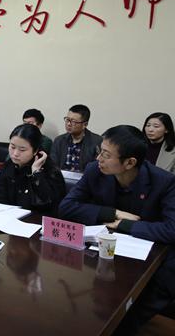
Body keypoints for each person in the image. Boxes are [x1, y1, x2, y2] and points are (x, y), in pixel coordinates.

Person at [58, 125, 175, 334]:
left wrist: (124, 225)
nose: (99, 158)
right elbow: (67, 206)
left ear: (130, 162)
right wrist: (114, 213)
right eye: (100, 151)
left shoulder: (164, 182)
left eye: (106, 154)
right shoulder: (95, 170)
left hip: (148, 253)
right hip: (105, 248)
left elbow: (171, 229)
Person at [0, 124, 65, 212]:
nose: (15, 153)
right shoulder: (9, 166)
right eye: (12, 147)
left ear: (35, 150)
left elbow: (48, 204)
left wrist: (36, 173)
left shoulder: (50, 170)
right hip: (9, 216)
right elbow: (0, 198)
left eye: (22, 150)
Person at [51, 104, 102, 172]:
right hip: (61, 177)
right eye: (67, 120)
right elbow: (53, 166)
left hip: (85, 178)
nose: (68, 124)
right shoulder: (59, 140)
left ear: (85, 125)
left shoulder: (97, 142)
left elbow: (97, 169)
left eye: (73, 121)